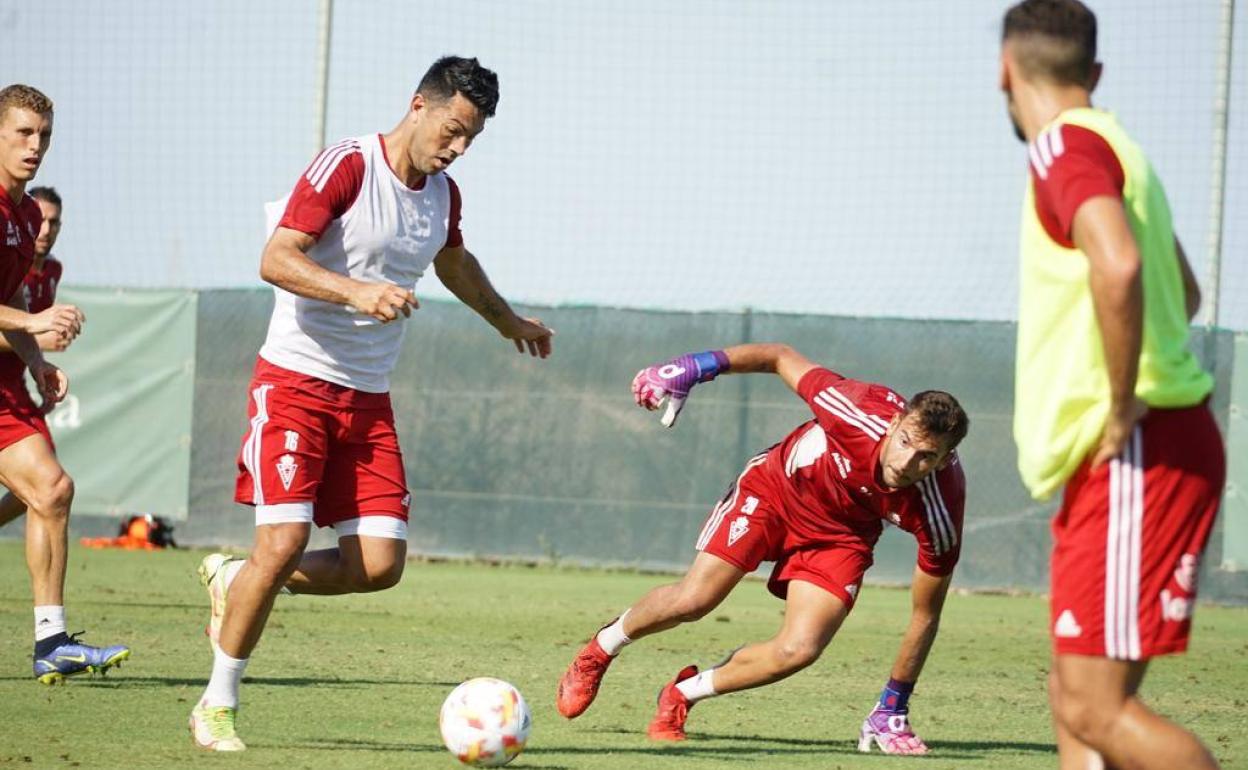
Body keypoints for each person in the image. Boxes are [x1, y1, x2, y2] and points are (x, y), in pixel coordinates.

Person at [190, 56, 554, 752]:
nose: (457, 147)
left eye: (471, 138)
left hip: (366, 402)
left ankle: (239, 581)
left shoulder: (443, 195)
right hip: (294, 384)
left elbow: (453, 261)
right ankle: (216, 703)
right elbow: (277, 257)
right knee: (285, 541)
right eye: (452, 129)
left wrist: (508, 320)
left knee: (379, 566)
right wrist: (356, 292)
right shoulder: (348, 166)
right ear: (418, 104)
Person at [1000, 3, 1225, 768]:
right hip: (1135, 449)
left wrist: (1124, 397)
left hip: (1140, 443)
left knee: (1096, 708)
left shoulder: (1064, 147)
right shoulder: (1118, 147)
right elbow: (1184, 291)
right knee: (1075, 704)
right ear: (1093, 75)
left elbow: (1120, 265)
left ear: (1005, 71)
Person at [556, 343, 968, 754]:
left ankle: (683, 693)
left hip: (841, 536)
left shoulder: (940, 509)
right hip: (774, 492)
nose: (907, 461)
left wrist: (893, 704)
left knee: (799, 650)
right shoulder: (852, 408)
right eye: (905, 441)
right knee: (695, 600)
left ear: (946, 459)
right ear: (894, 423)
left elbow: (925, 613)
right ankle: (600, 649)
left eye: (926, 456)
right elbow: (778, 357)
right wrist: (693, 367)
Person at [0, 84, 128, 683]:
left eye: (44, 135)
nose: (35, 146)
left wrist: (35, 361)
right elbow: (24, 308)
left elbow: (16, 294)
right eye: (23, 132)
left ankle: (51, 642)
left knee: (51, 491)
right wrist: (33, 325)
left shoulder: (27, 215)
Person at [0, 185, 70, 527]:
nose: (45, 230)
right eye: (40, 220)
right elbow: (23, 327)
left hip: (13, 383)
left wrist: (38, 363)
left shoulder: (51, 269)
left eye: (53, 222)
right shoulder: (14, 255)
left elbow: (25, 329)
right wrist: (38, 334)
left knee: (52, 488)